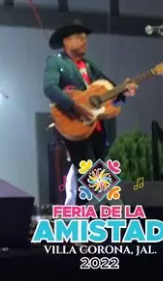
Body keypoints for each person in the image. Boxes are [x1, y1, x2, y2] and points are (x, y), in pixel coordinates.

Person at [44, 21, 136, 203]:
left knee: (88, 176)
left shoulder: (91, 66)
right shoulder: (56, 62)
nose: (84, 41)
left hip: (97, 126)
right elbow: (50, 88)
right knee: (92, 172)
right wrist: (74, 105)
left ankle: (85, 219)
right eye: (79, 38)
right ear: (66, 42)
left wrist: (123, 91)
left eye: (86, 39)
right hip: (74, 125)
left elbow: (108, 93)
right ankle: (116, 208)